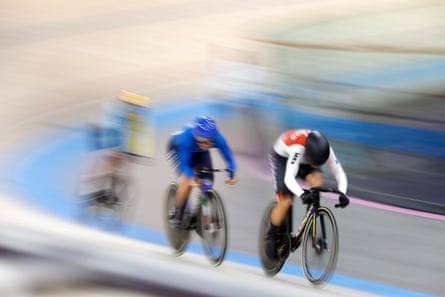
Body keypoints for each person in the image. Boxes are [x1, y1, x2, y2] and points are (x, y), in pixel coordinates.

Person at [265, 129, 349, 259]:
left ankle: (311, 217)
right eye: (315, 163)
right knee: (286, 200)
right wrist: (302, 194)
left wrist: (343, 193)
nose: (317, 165)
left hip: (305, 160)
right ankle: (271, 235)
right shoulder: (297, 148)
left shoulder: (326, 150)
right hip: (283, 157)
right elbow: (289, 178)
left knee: (317, 182)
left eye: (319, 163)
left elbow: (339, 173)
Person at [80, 90, 153, 204]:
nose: (139, 112)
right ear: (129, 106)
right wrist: (111, 151)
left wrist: (143, 155)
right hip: (99, 132)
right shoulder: (114, 112)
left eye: (140, 109)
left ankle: (110, 189)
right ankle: (91, 186)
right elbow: (108, 133)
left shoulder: (135, 118)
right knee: (109, 158)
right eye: (136, 108)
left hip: (113, 136)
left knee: (121, 160)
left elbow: (140, 136)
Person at [167, 115, 237, 227]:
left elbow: (230, 159)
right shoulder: (186, 138)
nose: (205, 144)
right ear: (196, 136)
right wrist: (191, 177)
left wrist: (231, 173)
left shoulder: (218, 139)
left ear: (213, 137)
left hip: (200, 152)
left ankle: (202, 206)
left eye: (208, 141)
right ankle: (178, 213)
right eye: (201, 140)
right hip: (177, 148)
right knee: (188, 181)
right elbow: (185, 164)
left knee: (207, 183)